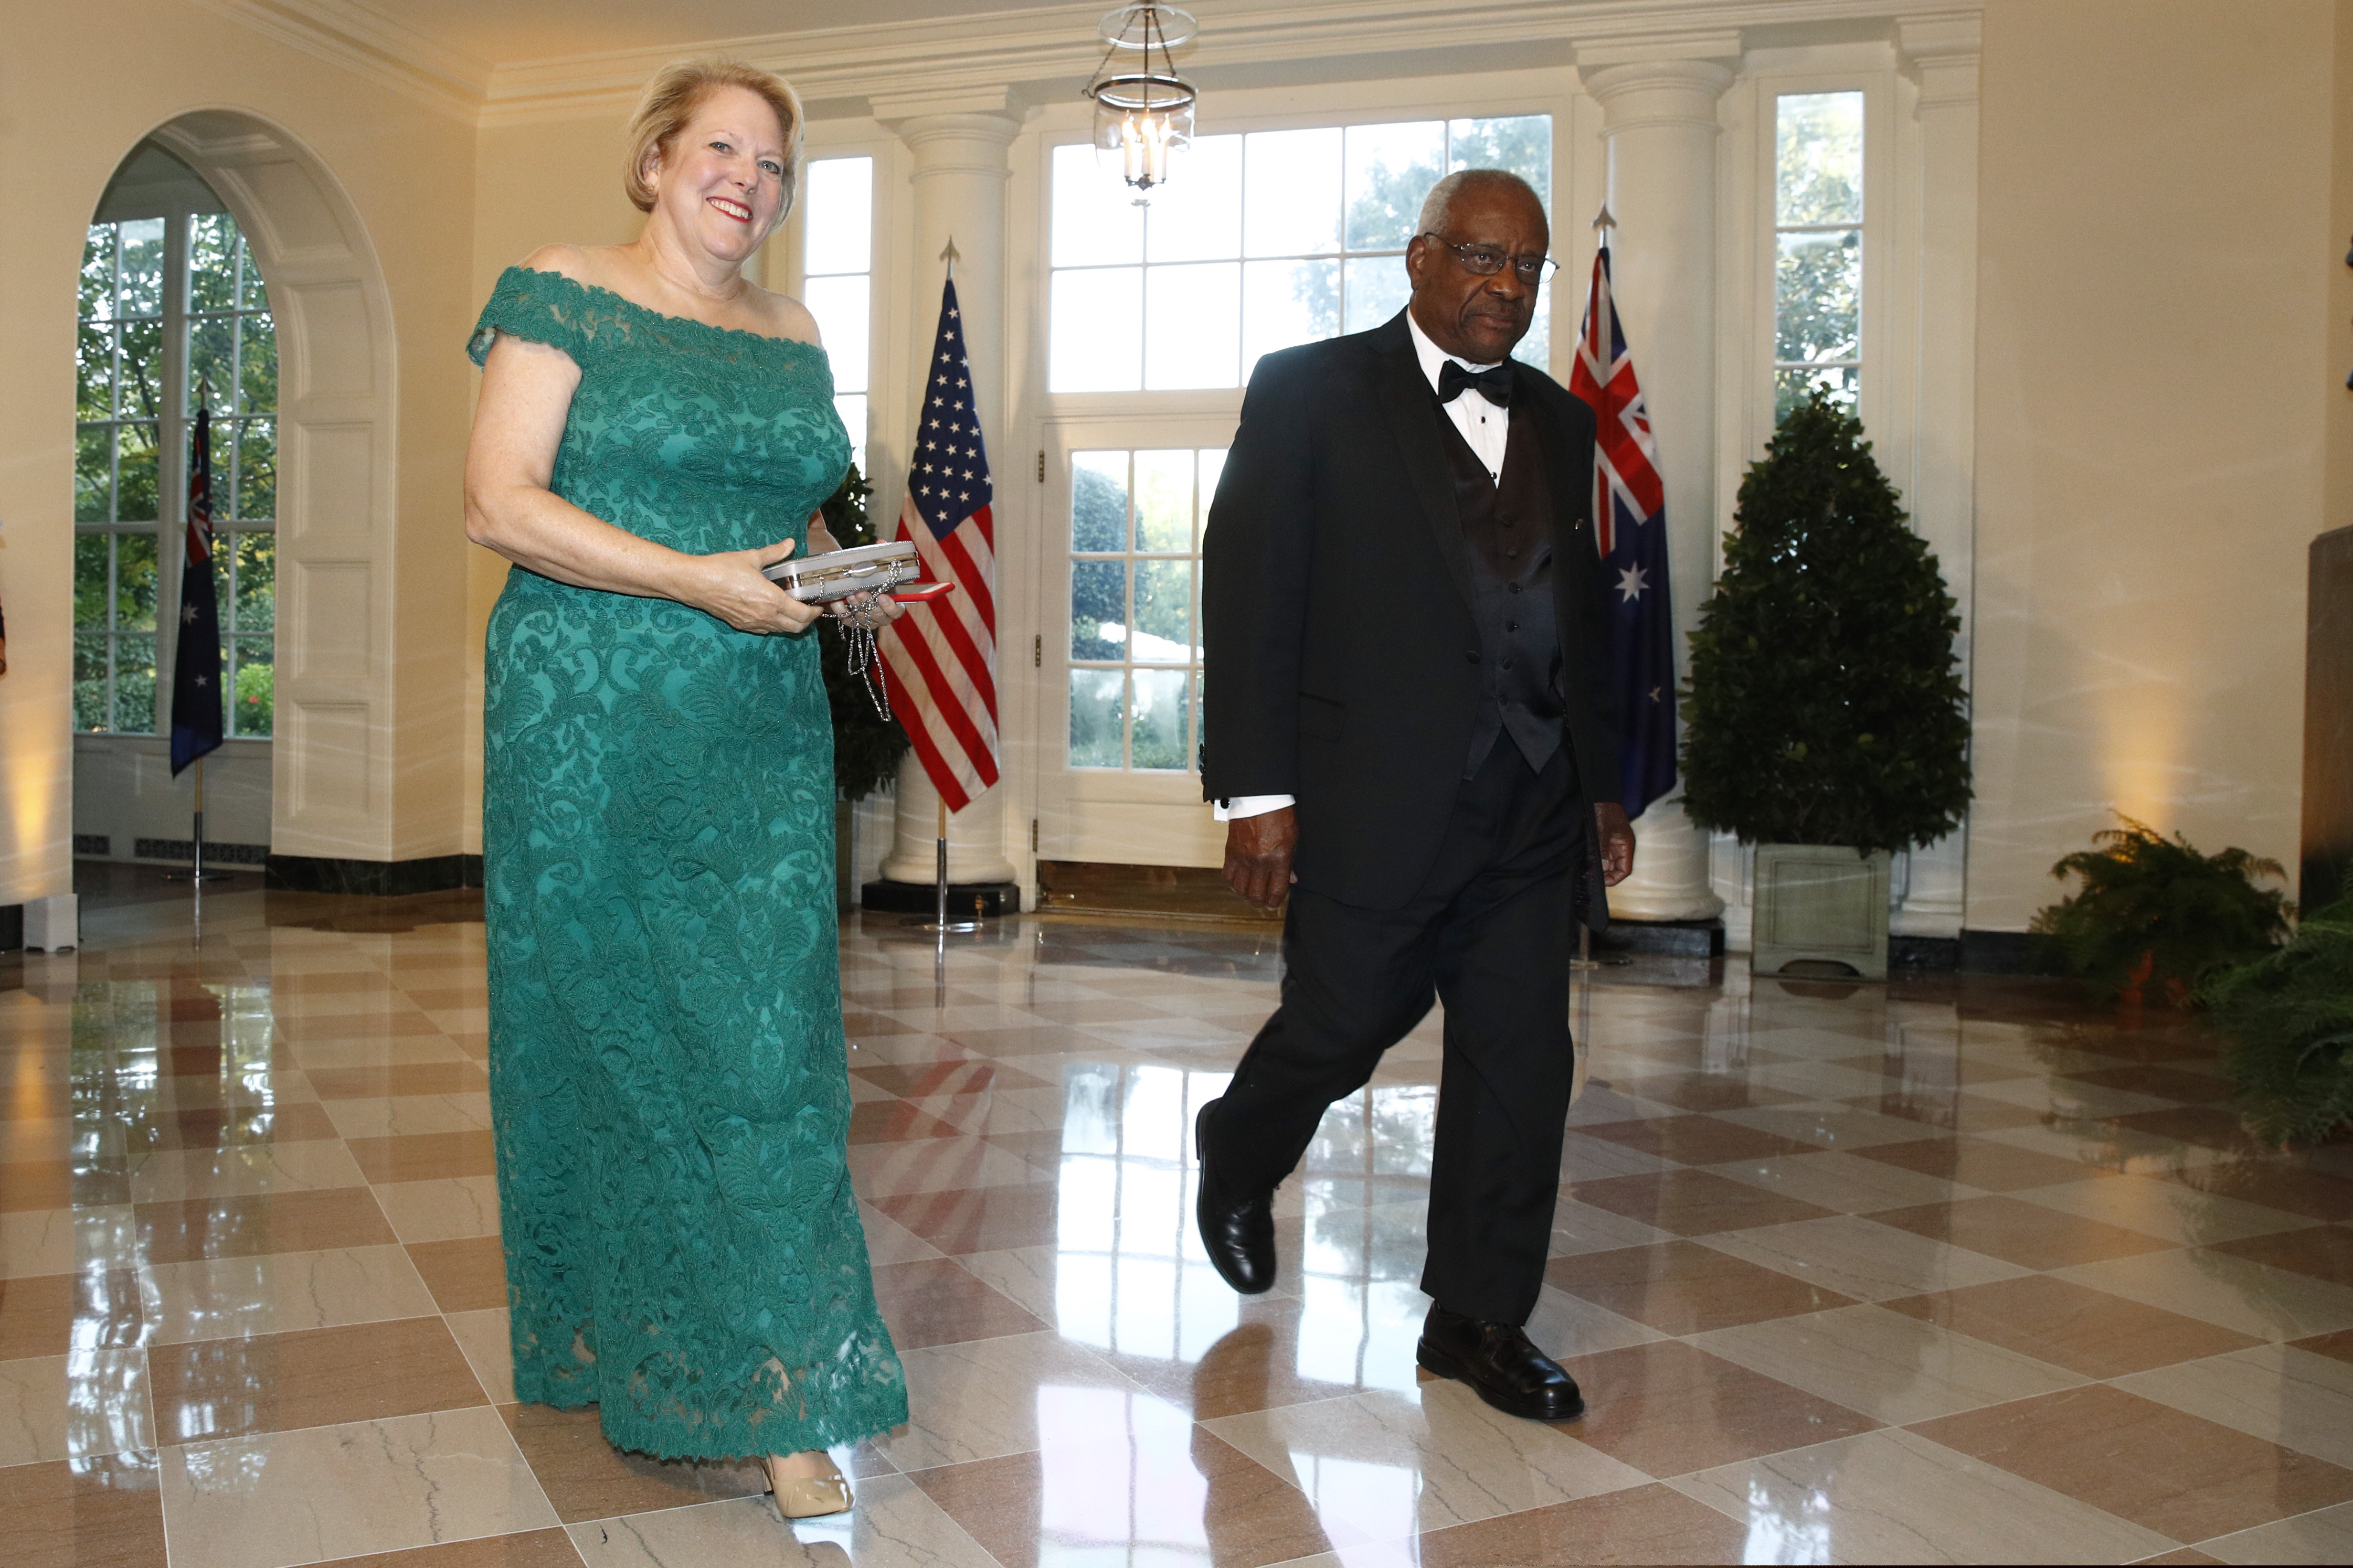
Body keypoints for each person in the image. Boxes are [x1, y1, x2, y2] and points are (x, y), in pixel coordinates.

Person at [462, 59, 907, 1519]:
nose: (748, 180)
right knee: (617, 1036)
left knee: (765, 1048)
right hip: (585, 717)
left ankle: (768, 1369)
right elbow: (499, 501)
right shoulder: (564, 287)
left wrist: (840, 577)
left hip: (755, 721)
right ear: (655, 162)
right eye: (722, 148)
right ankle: (685, 1362)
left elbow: (793, 513)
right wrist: (697, 582)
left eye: (773, 164)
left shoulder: (794, 330)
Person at [1196, 168, 1637, 1423]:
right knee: (1343, 1026)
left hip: (1531, 804)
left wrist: (1601, 786)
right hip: (1372, 797)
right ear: (1419, 257)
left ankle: (1476, 1319)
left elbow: (1575, 618)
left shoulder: (1562, 421)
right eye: (1481, 257)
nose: (1505, 286)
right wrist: (1256, 794)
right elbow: (1250, 588)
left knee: (1521, 1060)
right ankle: (1240, 1143)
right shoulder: (1309, 391)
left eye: (1526, 266)